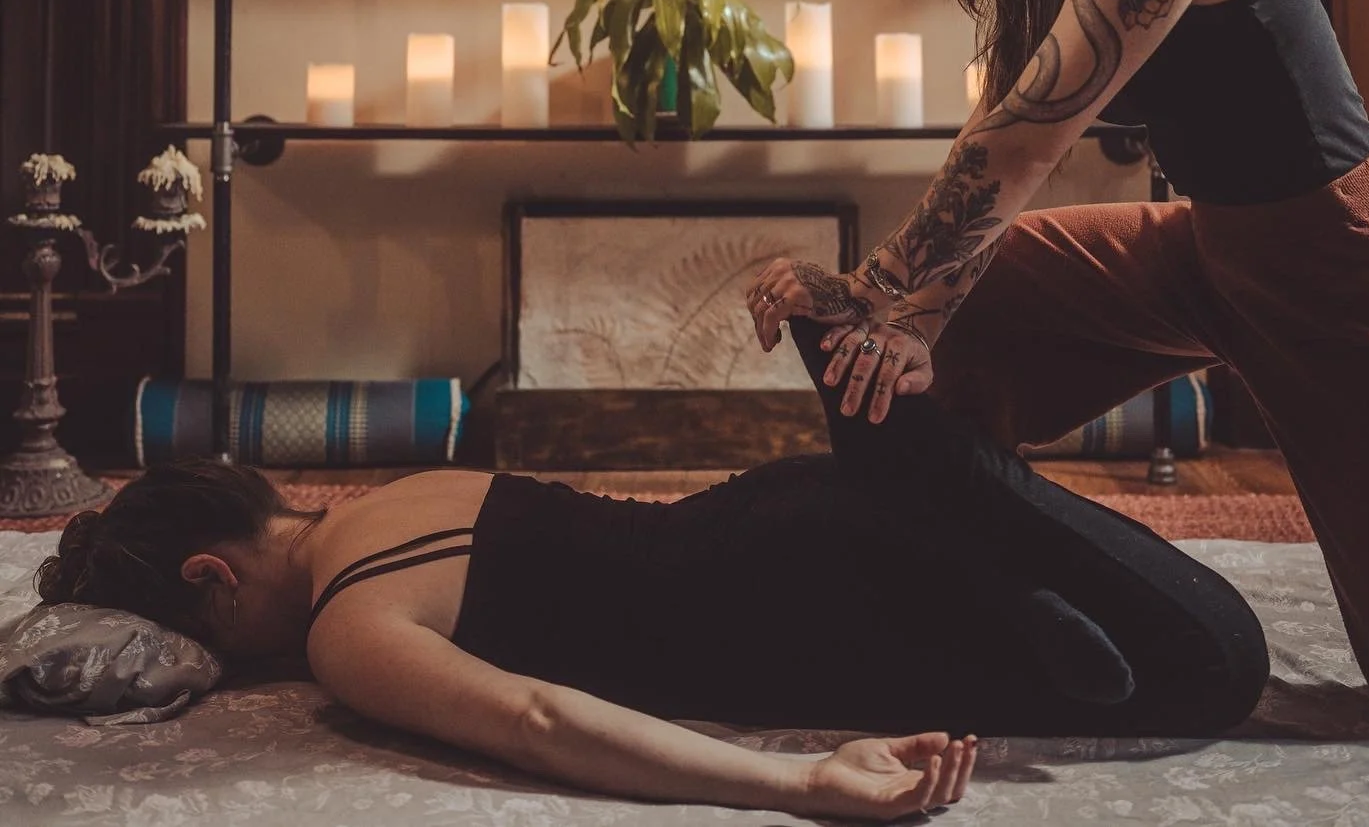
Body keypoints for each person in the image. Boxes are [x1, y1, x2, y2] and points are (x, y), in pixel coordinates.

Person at [745, 0, 1369, 745]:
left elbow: (1028, 145)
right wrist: (873, 296)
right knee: (927, 346)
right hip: (1204, 253)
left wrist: (910, 310)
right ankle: (1015, 611)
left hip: (1356, 274)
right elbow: (1000, 123)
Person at [35, 321, 1267, 822]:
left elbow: (539, 717)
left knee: (1212, 671)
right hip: (786, 511)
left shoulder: (347, 629)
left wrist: (798, 783)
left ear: (213, 575)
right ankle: (918, 466)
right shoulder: (402, 496)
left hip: (809, 622)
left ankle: (938, 487)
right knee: (1188, 647)